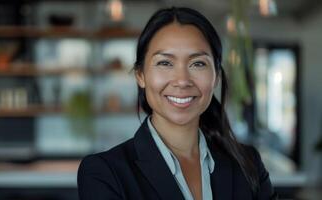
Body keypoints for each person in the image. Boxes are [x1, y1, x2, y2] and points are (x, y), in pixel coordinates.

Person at [77, 7, 277, 200]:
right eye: (165, 63)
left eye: (198, 63)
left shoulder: (248, 164)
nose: (182, 80)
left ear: (216, 77)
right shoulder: (104, 173)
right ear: (140, 75)